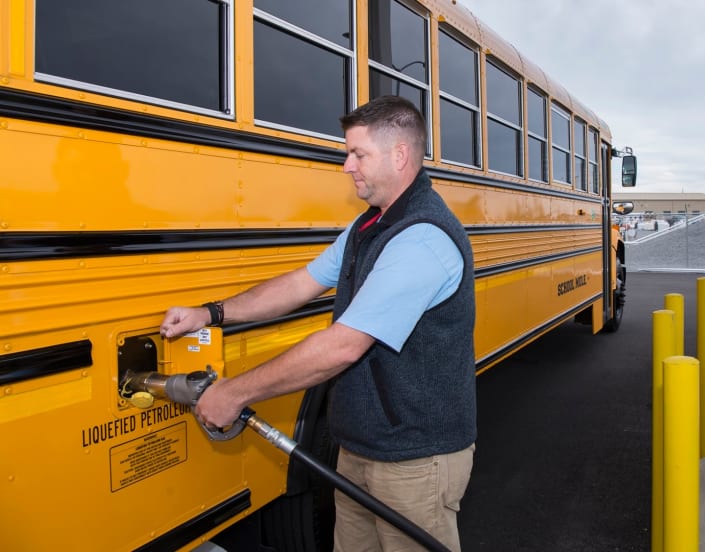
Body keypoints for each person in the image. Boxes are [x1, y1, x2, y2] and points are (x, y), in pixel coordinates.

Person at [159, 95, 477, 551]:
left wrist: (235, 392)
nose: (347, 166)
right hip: (359, 449)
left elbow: (342, 346)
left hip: (415, 462)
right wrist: (212, 313)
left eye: (358, 154)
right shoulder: (370, 226)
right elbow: (300, 284)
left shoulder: (423, 239)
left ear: (400, 155)